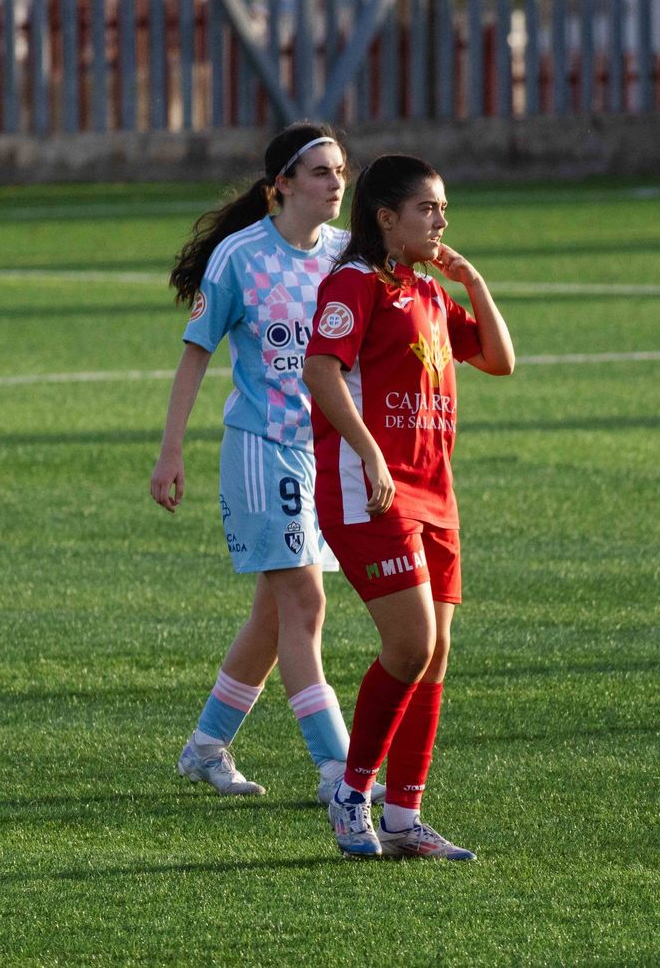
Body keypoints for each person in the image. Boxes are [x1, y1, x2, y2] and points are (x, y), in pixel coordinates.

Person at [151, 122, 382, 806]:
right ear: (280, 184)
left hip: (325, 452)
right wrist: (171, 451)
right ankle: (339, 770)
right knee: (306, 603)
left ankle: (205, 749)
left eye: (340, 170)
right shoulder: (238, 257)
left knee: (274, 620)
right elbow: (196, 351)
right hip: (262, 449)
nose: (336, 183)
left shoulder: (347, 256)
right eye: (319, 172)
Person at [302, 155, 515, 860]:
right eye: (428, 209)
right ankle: (351, 795)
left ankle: (403, 817)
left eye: (444, 208)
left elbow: (497, 358)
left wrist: (473, 281)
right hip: (372, 488)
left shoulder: (424, 291)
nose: (442, 220)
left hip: (434, 491)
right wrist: (364, 451)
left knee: (437, 651)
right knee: (411, 645)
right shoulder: (354, 284)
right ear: (386, 218)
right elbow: (321, 369)